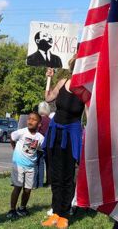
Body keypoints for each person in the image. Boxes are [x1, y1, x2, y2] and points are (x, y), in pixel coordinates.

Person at [41, 56, 84, 229]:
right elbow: (48, 98)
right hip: (55, 133)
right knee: (55, 175)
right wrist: (49, 78)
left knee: (67, 176)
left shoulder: (85, 89)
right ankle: (56, 213)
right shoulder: (63, 82)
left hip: (71, 134)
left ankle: (64, 215)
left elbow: (90, 112)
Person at [7, 112, 44, 219]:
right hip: (18, 164)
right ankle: (12, 209)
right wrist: (14, 148)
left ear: (39, 124)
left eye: (34, 119)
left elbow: (41, 149)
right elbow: (12, 138)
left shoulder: (40, 137)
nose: (30, 121)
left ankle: (22, 208)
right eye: (29, 119)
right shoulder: (22, 132)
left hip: (31, 166)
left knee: (28, 189)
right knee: (17, 187)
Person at [38, 101, 51, 187]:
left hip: (39, 144)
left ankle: (38, 182)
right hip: (49, 144)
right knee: (49, 164)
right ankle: (49, 182)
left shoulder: (39, 120)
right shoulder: (51, 120)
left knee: (39, 163)